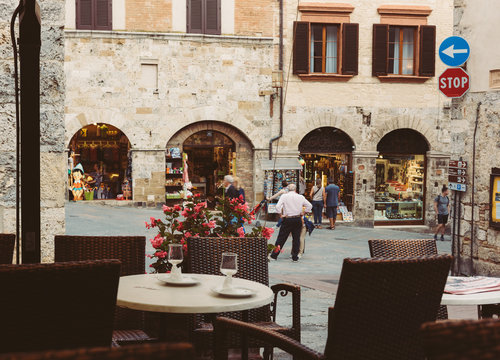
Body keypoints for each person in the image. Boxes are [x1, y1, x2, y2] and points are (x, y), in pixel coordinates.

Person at [270, 184, 312, 262]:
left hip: (287, 219)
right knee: (296, 238)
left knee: (281, 238)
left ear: (288, 189)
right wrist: (303, 213)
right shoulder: (300, 197)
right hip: (297, 218)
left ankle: (274, 255)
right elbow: (309, 205)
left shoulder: (284, 196)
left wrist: (281, 215)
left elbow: (278, 207)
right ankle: (295, 257)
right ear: (295, 190)